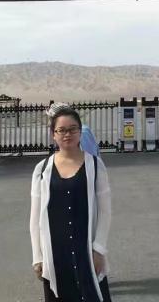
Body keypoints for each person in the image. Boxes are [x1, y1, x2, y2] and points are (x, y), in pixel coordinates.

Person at [30, 104, 112, 302]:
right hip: (56, 253)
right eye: (61, 130)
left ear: (80, 131)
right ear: (53, 134)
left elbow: (105, 211)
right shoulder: (42, 169)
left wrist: (99, 249)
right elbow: (35, 217)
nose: (67, 134)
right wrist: (38, 257)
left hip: (86, 251)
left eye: (73, 129)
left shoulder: (95, 165)